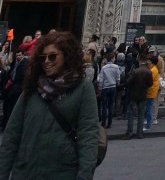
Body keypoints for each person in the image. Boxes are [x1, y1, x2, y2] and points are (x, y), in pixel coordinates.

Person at [0, 31, 99, 180]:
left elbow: (88, 135)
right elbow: (12, 135)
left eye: (52, 56)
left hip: (62, 172)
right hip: (26, 171)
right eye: (43, 57)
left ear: (67, 56)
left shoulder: (82, 88)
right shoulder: (32, 88)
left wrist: (84, 175)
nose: (47, 61)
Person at [124, 53, 152, 138]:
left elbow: (128, 82)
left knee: (131, 113)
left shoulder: (135, 71)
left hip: (134, 94)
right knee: (141, 114)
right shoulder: (148, 71)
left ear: (140, 60)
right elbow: (150, 83)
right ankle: (139, 133)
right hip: (143, 94)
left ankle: (130, 132)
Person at [97, 51, 121, 129]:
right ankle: (109, 123)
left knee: (104, 106)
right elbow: (118, 78)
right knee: (111, 105)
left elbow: (101, 79)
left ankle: (104, 123)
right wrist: (117, 84)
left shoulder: (104, 68)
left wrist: (100, 88)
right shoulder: (116, 67)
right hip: (113, 86)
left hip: (105, 87)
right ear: (113, 59)